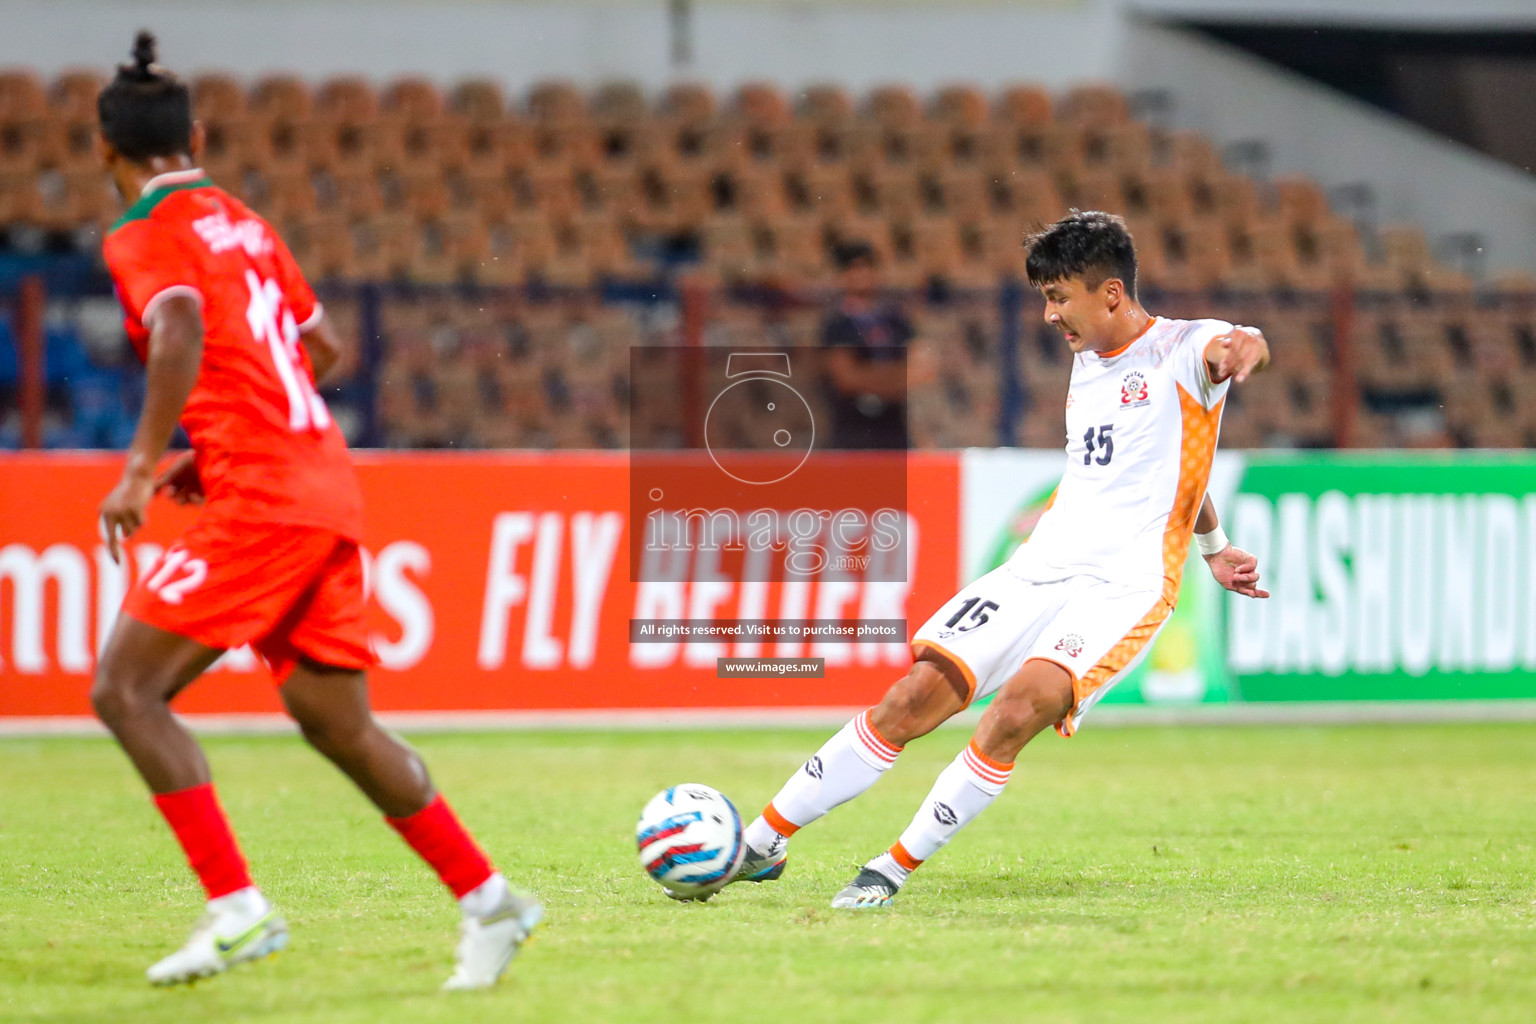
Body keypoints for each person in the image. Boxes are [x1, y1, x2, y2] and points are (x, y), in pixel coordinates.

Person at [90, 33, 540, 988]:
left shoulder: (141, 235)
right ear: (197, 135)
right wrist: (211, 446)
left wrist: (141, 468)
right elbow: (323, 350)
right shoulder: (245, 223)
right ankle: (491, 902)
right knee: (334, 721)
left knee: (124, 691)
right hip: (321, 480)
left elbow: (176, 327)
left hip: (266, 494)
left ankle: (237, 909)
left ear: (104, 152)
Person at [724, 210, 1273, 907]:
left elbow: (1240, 343)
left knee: (1017, 708)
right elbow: (1167, 471)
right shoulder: (1087, 358)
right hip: (1039, 565)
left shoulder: (1188, 349)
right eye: (1043, 297)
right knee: (913, 695)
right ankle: (762, 842)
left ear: (1110, 293)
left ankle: (889, 868)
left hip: (1124, 587)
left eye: (1058, 296)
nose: (1048, 315)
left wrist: (1244, 350)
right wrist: (1217, 546)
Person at [819, 240, 912, 449]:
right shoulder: (836, 324)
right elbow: (846, 378)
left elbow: (920, 371)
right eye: (854, 268)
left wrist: (869, 378)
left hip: (893, 429)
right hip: (852, 431)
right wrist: (895, 378)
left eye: (868, 267)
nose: (862, 275)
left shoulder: (896, 320)